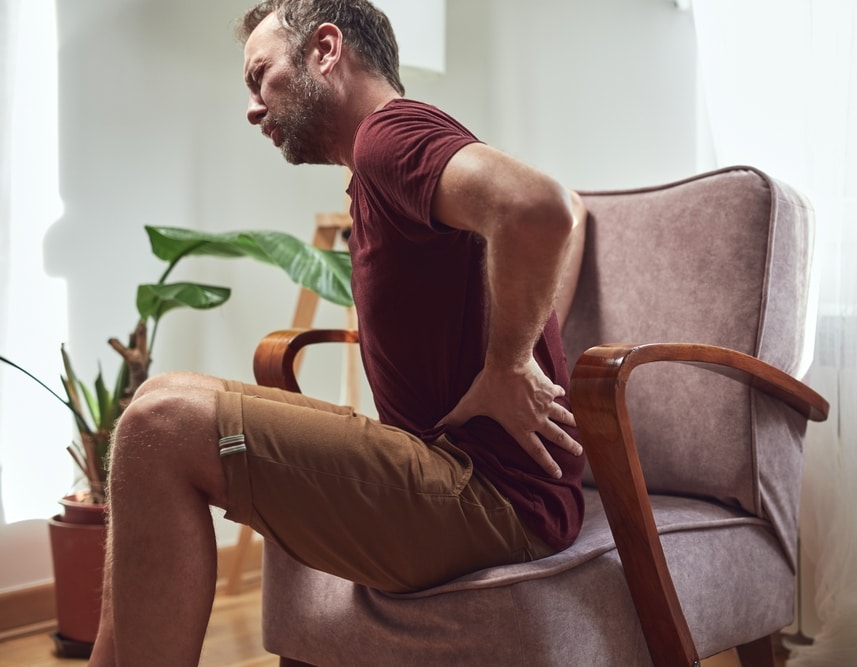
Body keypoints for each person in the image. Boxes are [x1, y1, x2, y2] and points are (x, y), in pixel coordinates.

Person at [89, 1, 587, 664]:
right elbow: (574, 213)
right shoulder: (382, 164)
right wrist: (522, 343)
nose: (252, 108)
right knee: (156, 401)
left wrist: (510, 363)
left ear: (326, 50)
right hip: (467, 479)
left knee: (162, 428)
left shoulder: (389, 136)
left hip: (487, 495)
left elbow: (542, 208)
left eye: (260, 75)